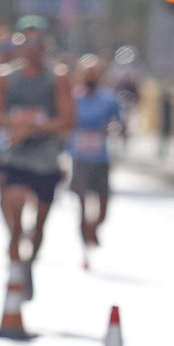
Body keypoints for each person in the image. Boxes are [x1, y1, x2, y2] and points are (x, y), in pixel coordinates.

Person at [0, 17, 73, 283]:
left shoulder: (57, 78)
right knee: (13, 201)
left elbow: (68, 119)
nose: (31, 48)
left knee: (41, 219)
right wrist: (16, 124)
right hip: (15, 152)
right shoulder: (6, 77)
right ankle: (14, 254)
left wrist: (37, 126)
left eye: (36, 42)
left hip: (46, 156)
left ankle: (30, 261)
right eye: (26, 42)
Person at [68, 54, 124, 263]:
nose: (90, 77)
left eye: (94, 73)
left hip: (101, 158)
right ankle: (84, 250)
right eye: (87, 73)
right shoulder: (73, 99)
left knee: (103, 206)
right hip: (80, 158)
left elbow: (120, 124)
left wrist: (112, 129)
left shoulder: (109, 100)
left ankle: (93, 228)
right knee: (82, 206)